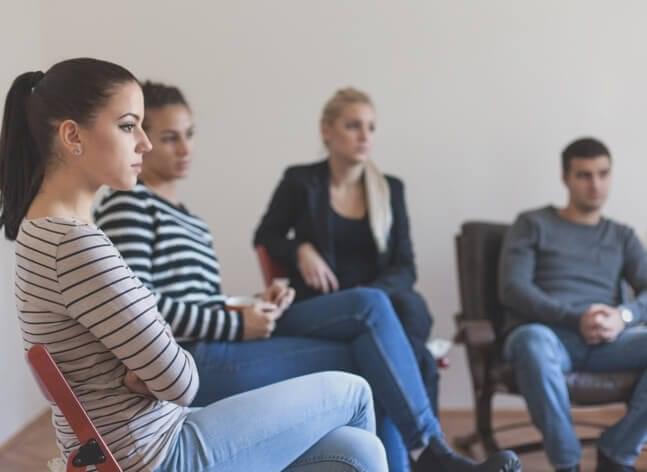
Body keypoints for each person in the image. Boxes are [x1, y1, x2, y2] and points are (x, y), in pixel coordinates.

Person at [94, 81, 521, 472]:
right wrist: (240, 322)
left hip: (222, 341)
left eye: (189, 134)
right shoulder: (131, 205)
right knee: (377, 350)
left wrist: (257, 302)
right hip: (191, 361)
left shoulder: (191, 221)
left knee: (374, 322)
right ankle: (430, 452)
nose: (184, 148)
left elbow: (199, 301)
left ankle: (428, 453)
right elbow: (141, 311)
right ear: (142, 140)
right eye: (169, 137)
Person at [1, 58, 389, 472]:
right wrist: (150, 365)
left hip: (144, 435)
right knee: (354, 391)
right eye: (129, 126)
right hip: (157, 452)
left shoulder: (40, 231)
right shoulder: (76, 244)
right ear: (72, 136)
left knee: (356, 450)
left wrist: (144, 366)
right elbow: (180, 380)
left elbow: (151, 355)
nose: (144, 144)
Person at [253, 87, 439, 413]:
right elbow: (266, 235)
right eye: (353, 126)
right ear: (327, 130)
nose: (365, 136)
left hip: (379, 301)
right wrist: (301, 249)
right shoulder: (301, 181)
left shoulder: (390, 189)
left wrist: (371, 297)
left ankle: (409, 448)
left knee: (411, 311)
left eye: (371, 127)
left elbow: (405, 266)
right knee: (415, 357)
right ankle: (427, 448)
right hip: (323, 303)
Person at [499, 137, 647, 472]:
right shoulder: (532, 224)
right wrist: (575, 317)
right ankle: (568, 464)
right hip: (550, 337)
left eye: (603, 174)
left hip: (610, 341)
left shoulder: (622, 236)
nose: (595, 185)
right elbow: (513, 288)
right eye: (584, 175)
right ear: (565, 177)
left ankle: (619, 450)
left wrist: (623, 316)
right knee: (530, 340)